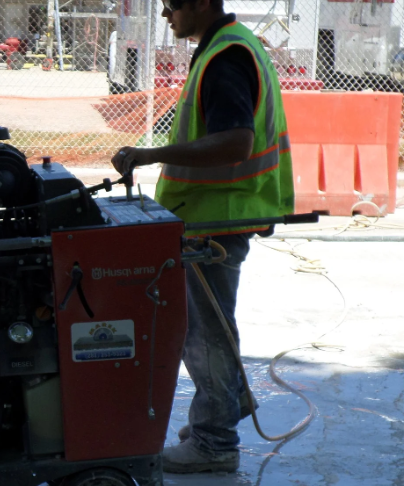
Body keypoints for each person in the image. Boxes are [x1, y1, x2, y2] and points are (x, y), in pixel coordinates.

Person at [110, 0, 294, 475]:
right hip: (219, 214)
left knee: (202, 332)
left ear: (199, 3)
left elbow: (236, 142)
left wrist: (151, 155)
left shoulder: (225, 57)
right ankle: (225, 409)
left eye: (172, 5)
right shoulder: (227, 47)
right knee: (211, 324)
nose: (167, 14)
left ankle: (215, 443)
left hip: (217, 219)